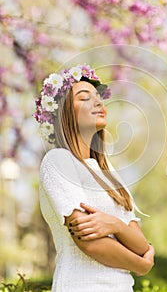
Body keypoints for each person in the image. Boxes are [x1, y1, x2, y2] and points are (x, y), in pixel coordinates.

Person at [34, 63, 154, 292]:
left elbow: (139, 243)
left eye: (98, 97)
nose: (99, 103)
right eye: (84, 97)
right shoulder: (58, 162)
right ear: (65, 113)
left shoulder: (110, 176)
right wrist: (142, 265)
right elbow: (88, 241)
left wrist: (116, 225)